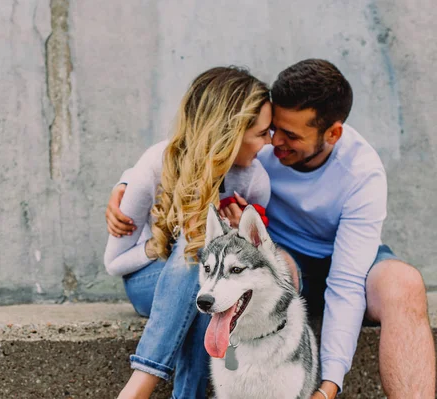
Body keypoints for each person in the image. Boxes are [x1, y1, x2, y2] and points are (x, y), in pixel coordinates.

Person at [107, 59, 436, 399]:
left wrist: (330, 383)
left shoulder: (362, 172)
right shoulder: (256, 146)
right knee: (261, 269)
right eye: (272, 129)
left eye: (290, 135)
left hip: (343, 258)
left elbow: (347, 282)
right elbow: (195, 150)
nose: (274, 142)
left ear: (333, 133)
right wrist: (128, 183)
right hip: (276, 258)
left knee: (405, 283)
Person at [104, 66, 274, 399]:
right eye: (261, 133)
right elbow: (115, 262)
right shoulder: (156, 164)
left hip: (209, 289)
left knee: (210, 280)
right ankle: (142, 383)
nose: (268, 144)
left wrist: (237, 236)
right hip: (147, 283)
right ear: (230, 132)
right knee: (200, 249)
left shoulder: (255, 181)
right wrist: (160, 245)